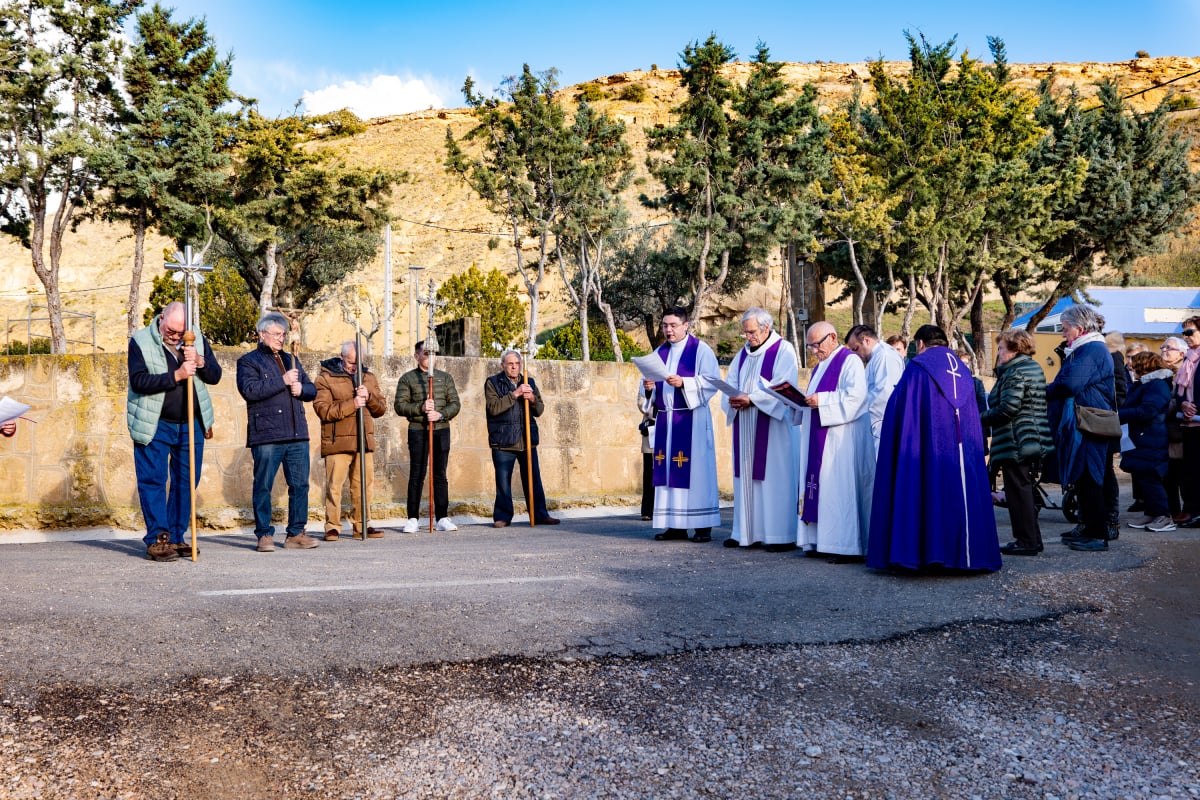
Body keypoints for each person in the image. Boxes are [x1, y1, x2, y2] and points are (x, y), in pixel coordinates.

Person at [867, 324, 1001, 572]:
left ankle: (927, 553)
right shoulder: (962, 368)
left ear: (920, 344)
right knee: (962, 495)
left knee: (927, 492)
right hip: (962, 449)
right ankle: (969, 556)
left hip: (927, 448)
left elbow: (900, 409)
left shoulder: (918, 368)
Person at [127, 301, 221, 562]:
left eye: (180, 333)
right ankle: (158, 538)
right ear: (161, 318)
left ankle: (177, 536)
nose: (176, 337)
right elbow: (139, 381)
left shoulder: (196, 338)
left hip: (191, 424)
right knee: (153, 481)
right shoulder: (140, 341)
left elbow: (215, 376)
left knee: (187, 481)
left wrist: (200, 361)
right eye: (171, 331)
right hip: (154, 423)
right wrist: (177, 375)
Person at [236, 312, 320, 552]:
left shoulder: (292, 359)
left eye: (283, 334)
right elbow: (250, 390)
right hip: (267, 435)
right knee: (263, 485)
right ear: (262, 334)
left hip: (296, 434)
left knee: (300, 485)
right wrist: (282, 380)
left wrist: (301, 388)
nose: (280, 338)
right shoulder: (248, 361)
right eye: (275, 334)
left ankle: (296, 533)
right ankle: (264, 534)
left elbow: (312, 390)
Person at [721, 308, 800, 551]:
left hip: (772, 429)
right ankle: (745, 532)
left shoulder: (783, 350)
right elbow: (731, 382)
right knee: (745, 478)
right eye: (745, 332)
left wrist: (752, 399)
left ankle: (779, 536)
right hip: (745, 425)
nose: (748, 337)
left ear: (766, 328)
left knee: (774, 479)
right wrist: (733, 398)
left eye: (752, 332)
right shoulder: (742, 355)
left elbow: (783, 387)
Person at [796, 321, 875, 562]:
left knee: (839, 490)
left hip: (842, 439)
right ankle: (820, 540)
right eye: (809, 347)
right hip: (821, 438)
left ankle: (844, 546)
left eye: (816, 345)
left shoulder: (849, 360)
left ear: (832, 337)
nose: (814, 351)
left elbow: (856, 398)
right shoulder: (819, 367)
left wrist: (822, 399)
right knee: (821, 489)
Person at [643, 306, 722, 543]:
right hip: (667, 419)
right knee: (668, 474)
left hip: (692, 420)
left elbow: (711, 381)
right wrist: (649, 389)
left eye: (673, 325)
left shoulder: (701, 350)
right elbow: (650, 391)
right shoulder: (659, 352)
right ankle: (675, 525)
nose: (668, 330)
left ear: (686, 325)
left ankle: (702, 526)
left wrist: (684, 383)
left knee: (696, 474)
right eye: (665, 325)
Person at [1046, 304, 1117, 552]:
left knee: (1090, 478)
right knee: (1083, 477)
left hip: (1089, 422)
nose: (1063, 333)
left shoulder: (1092, 350)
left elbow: (1070, 385)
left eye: (1065, 329)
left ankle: (1097, 534)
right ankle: (1088, 527)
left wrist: (1045, 390)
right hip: (1084, 420)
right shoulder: (1086, 349)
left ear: (1078, 328)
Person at [979, 329, 1054, 556]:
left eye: (1001, 348)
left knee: (1018, 492)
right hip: (1025, 438)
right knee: (1023, 490)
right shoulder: (1026, 368)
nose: (998, 353)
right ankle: (1031, 540)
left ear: (1014, 349)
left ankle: (1026, 542)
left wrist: (976, 418)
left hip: (1018, 439)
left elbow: (1008, 408)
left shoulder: (1017, 372)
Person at [314, 341, 388, 541]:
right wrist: (352, 404)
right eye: (351, 363)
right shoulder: (325, 377)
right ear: (341, 356)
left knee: (364, 486)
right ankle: (332, 527)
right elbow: (323, 410)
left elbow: (380, 409)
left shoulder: (368, 377)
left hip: (363, 442)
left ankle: (362, 525)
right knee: (334, 487)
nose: (355, 367)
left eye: (359, 362)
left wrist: (369, 397)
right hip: (338, 441)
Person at [484, 349, 559, 527]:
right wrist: (515, 394)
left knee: (534, 479)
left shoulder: (529, 381)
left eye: (517, 364)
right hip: (503, 441)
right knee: (503, 482)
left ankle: (540, 514)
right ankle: (502, 516)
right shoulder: (493, 383)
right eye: (510, 364)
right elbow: (493, 407)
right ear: (502, 365)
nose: (514, 367)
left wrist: (532, 398)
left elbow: (539, 410)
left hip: (527, 439)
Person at [394, 340, 462, 533]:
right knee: (417, 474)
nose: (431, 357)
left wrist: (441, 414)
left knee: (440, 474)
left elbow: (455, 404)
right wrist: (420, 408)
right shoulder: (408, 379)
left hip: (441, 430)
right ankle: (413, 518)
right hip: (418, 430)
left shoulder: (446, 378)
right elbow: (400, 405)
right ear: (417, 356)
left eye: (434, 353)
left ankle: (442, 517)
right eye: (426, 353)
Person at [1120, 351, 1175, 533]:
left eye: (1134, 364)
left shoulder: (1157, 385)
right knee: (1143, 476)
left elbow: (1148, 410)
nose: (1131, 367)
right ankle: (1152, 512)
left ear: (1144, 366)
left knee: (1151, 478)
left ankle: (1164, 516)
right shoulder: (1147, 384)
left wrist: (1119, 416)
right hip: (1143, 436)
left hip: (1151, 436)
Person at [845, 324, 905, 450]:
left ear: (866, 340)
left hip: (882, 425)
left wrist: (855, 409)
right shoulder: (876, 357)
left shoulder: (885, 356)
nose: (855, 354)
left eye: (855, 348)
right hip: (875, 425)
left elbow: (885, 393)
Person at [1171, 318, 1200, 528]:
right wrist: (1183, 405)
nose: (1186, 337)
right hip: (1188, 423)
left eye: (1189, 332)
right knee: (1189, 470)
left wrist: (1196, 406)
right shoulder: (1189, 360)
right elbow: (1180, 391)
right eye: (1184, 333)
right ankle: (1191, 509)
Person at [1159, 336, 1188, 522]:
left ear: (1181, 354)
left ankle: (1187, 512)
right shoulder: (1161, 373)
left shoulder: (1187, 372)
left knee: (1184, 475)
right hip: (1166, 431)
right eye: (1162, 347)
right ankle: (1172, 512)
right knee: (1168, 475)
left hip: (1183, 430)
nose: (1164, 350)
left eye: (1169, 348)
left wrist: (1166, 405)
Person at [637, 385, 656, 521]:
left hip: (669, 426)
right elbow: (642, 403)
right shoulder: (645, 378)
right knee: (649, 471)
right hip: (651, 428)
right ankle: (648, 510)